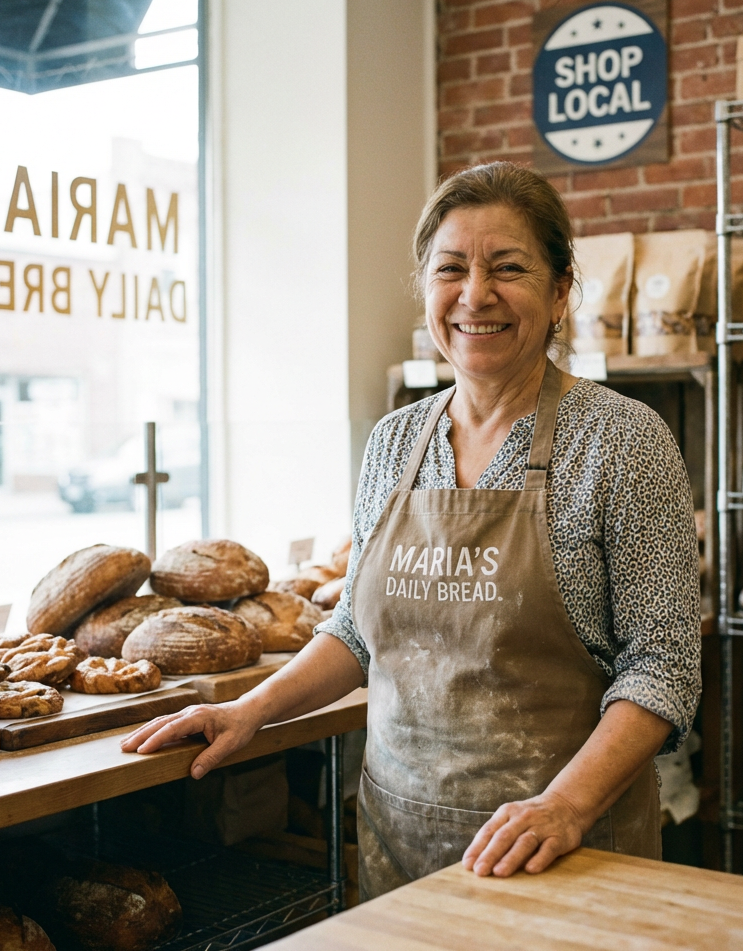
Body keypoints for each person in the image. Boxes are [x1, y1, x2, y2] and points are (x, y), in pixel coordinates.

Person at [122, 161, 701, 900]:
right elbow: (355, 634)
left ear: (560, 293)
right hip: (402, 841)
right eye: (450, 268)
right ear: (426, 289)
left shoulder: (623, 440)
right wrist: (247, 712)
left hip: (564, 852)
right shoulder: (395, 443)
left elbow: (664, 668)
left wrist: (565, 806)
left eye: (509, 268)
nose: (475, 295)